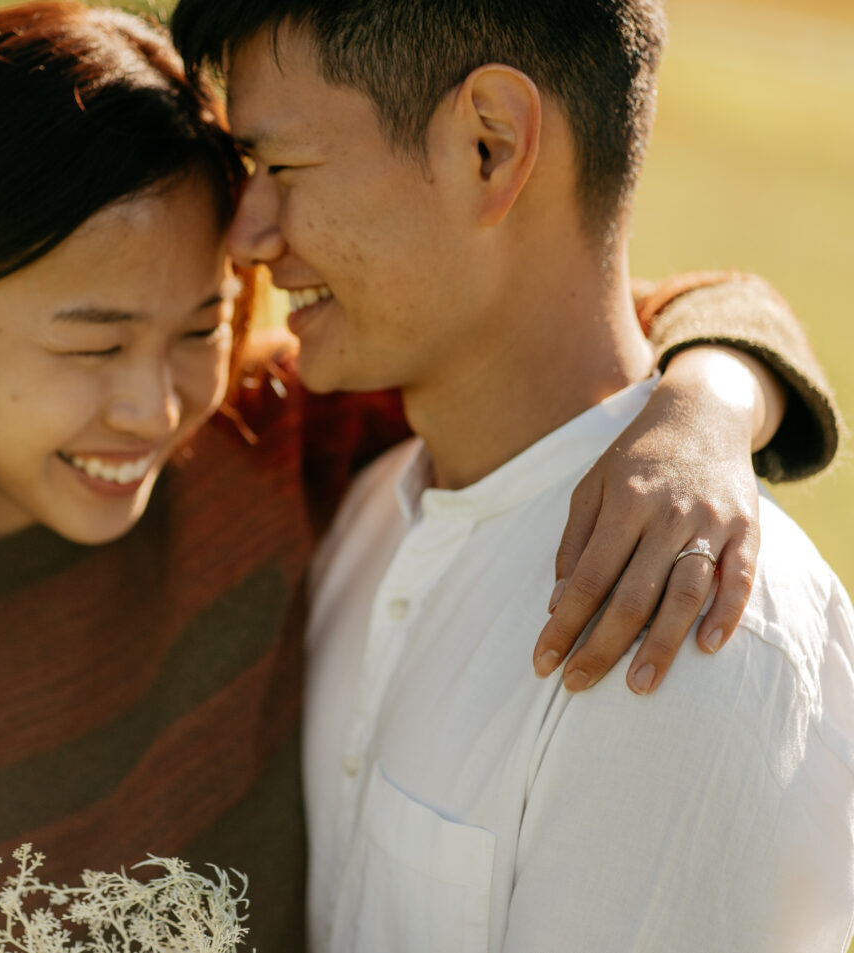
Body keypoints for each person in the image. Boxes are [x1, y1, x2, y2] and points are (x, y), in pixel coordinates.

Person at [0, 3, 840, 952]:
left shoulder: (255, 445)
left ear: (490, 143)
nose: (153, 407)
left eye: (202, 325)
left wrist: (710, 398)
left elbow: (615, 310)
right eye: (92, 346)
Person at [171, 1, 854, 951]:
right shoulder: (360, 505)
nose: (246, 234)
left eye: (282, 167)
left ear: (490, 147)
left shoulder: (686, 627)